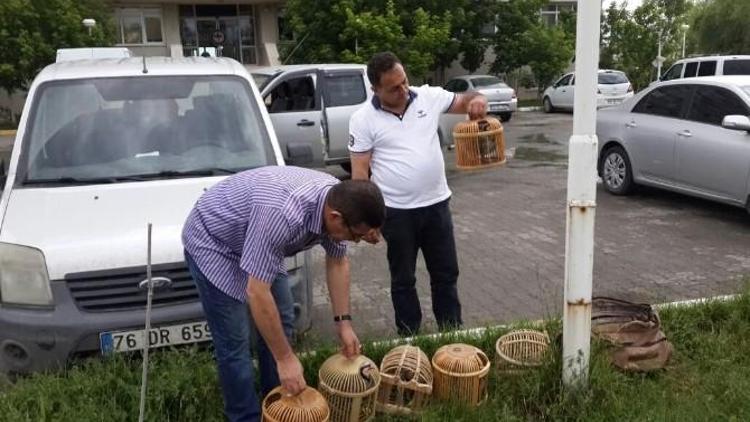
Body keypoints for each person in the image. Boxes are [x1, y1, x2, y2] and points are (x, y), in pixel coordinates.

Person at [182, 166, 385, 422]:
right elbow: (257, 292)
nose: (355, 241)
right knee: (236, 341)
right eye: (355, 236)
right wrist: (286, 358)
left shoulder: (341, 200)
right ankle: (244, 415)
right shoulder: (283, 214)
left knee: (283, 318)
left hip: (258, 236)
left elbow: (338, 261)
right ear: (335, 218)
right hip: (215, 242)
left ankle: (276, 399)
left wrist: (343, 324)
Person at [348, 52, 488, 336]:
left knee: (446, 274)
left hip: (437, 206)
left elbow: (465, 99)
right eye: (393, 88)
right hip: (396, 213)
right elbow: (360, 174)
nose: (403, 90)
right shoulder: (362, 119)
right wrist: (366, 221)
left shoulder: (428, 96)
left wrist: (477, 100)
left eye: (404, 82)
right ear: (375, 89)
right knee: (403, 280)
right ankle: (409, 340)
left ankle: (452, 334)